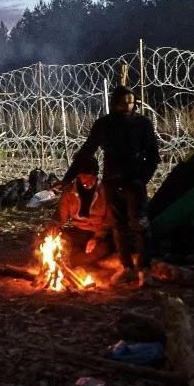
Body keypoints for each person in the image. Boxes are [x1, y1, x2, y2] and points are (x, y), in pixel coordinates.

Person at [63, 85, 160, 286]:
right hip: (112, 181)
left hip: (134, 181)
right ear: (114, 102)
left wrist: (142, 178)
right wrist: (67, 178)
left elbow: (153, 155)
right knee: (118, 226)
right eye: (123, 101)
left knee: (140, 225)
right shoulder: (105, 124)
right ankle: (127, 268)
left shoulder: (142, 124)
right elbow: (87, 151)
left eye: (131, 101)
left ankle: (145, 270)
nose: (127, 105)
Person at [47, 160, 113, 264]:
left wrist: (97, 237)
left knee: (102, 249)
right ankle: (72, 260)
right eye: (84, 177)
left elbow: (109, 220)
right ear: (78, 176)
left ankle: (78, 261)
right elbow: (61, 214)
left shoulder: (104, 191)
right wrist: (54, 226)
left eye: (91, 178)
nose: (88, 181)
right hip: (78, 231)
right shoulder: (70, 191)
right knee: (58, 242)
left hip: (97, 233)